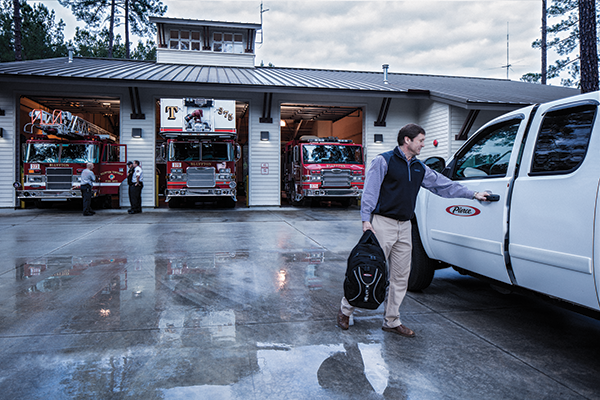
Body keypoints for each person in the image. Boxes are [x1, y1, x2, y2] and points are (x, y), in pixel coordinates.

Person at [337, 123, 490, 337]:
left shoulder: (420, 168)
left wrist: (473, 194)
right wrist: (366, 220)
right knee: (368, 268)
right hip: (382, 223)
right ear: (407, 140)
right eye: (421, 140)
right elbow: (370, 190)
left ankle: (391, 320)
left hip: (405, 226)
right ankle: (346, 310)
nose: (423, 145)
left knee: (401, 276)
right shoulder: (384, 161)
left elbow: (443, 185)